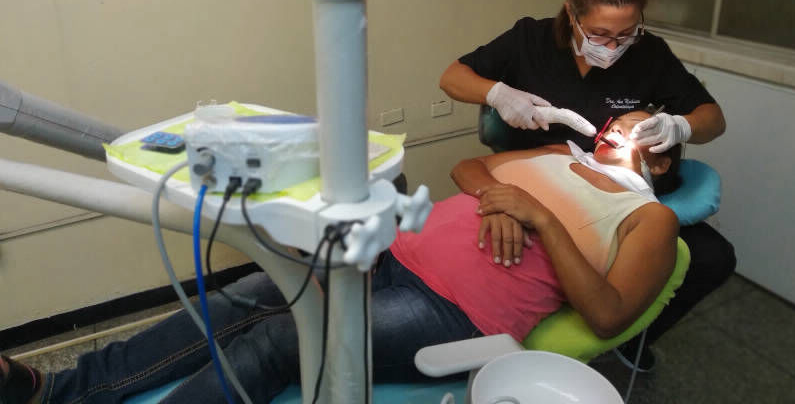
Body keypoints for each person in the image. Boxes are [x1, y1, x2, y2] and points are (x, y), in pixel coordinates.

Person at [2, 109, 679, 404]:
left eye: (639, 125)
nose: (618, 126)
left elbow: (608, 314)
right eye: (616, 121)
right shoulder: (560, 153)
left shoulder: (650, 217)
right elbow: (472, 168)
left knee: (279, 340)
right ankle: (62, 389)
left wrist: (540, 218)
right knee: (244, 295)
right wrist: (502, 195)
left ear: (665, 155)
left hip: (453, 310)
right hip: (387, 250)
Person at [439, 0, 736, 371]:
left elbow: (713, 119)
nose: (613, 46)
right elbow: (452, 77)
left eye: (626, 34)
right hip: (540, 176)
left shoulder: (650, 55)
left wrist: (681, 125)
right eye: (599, 34)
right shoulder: (531, 40)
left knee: (714, 256)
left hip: (614, 195)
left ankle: (635, 337)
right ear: (572, 14)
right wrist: (498, 95)